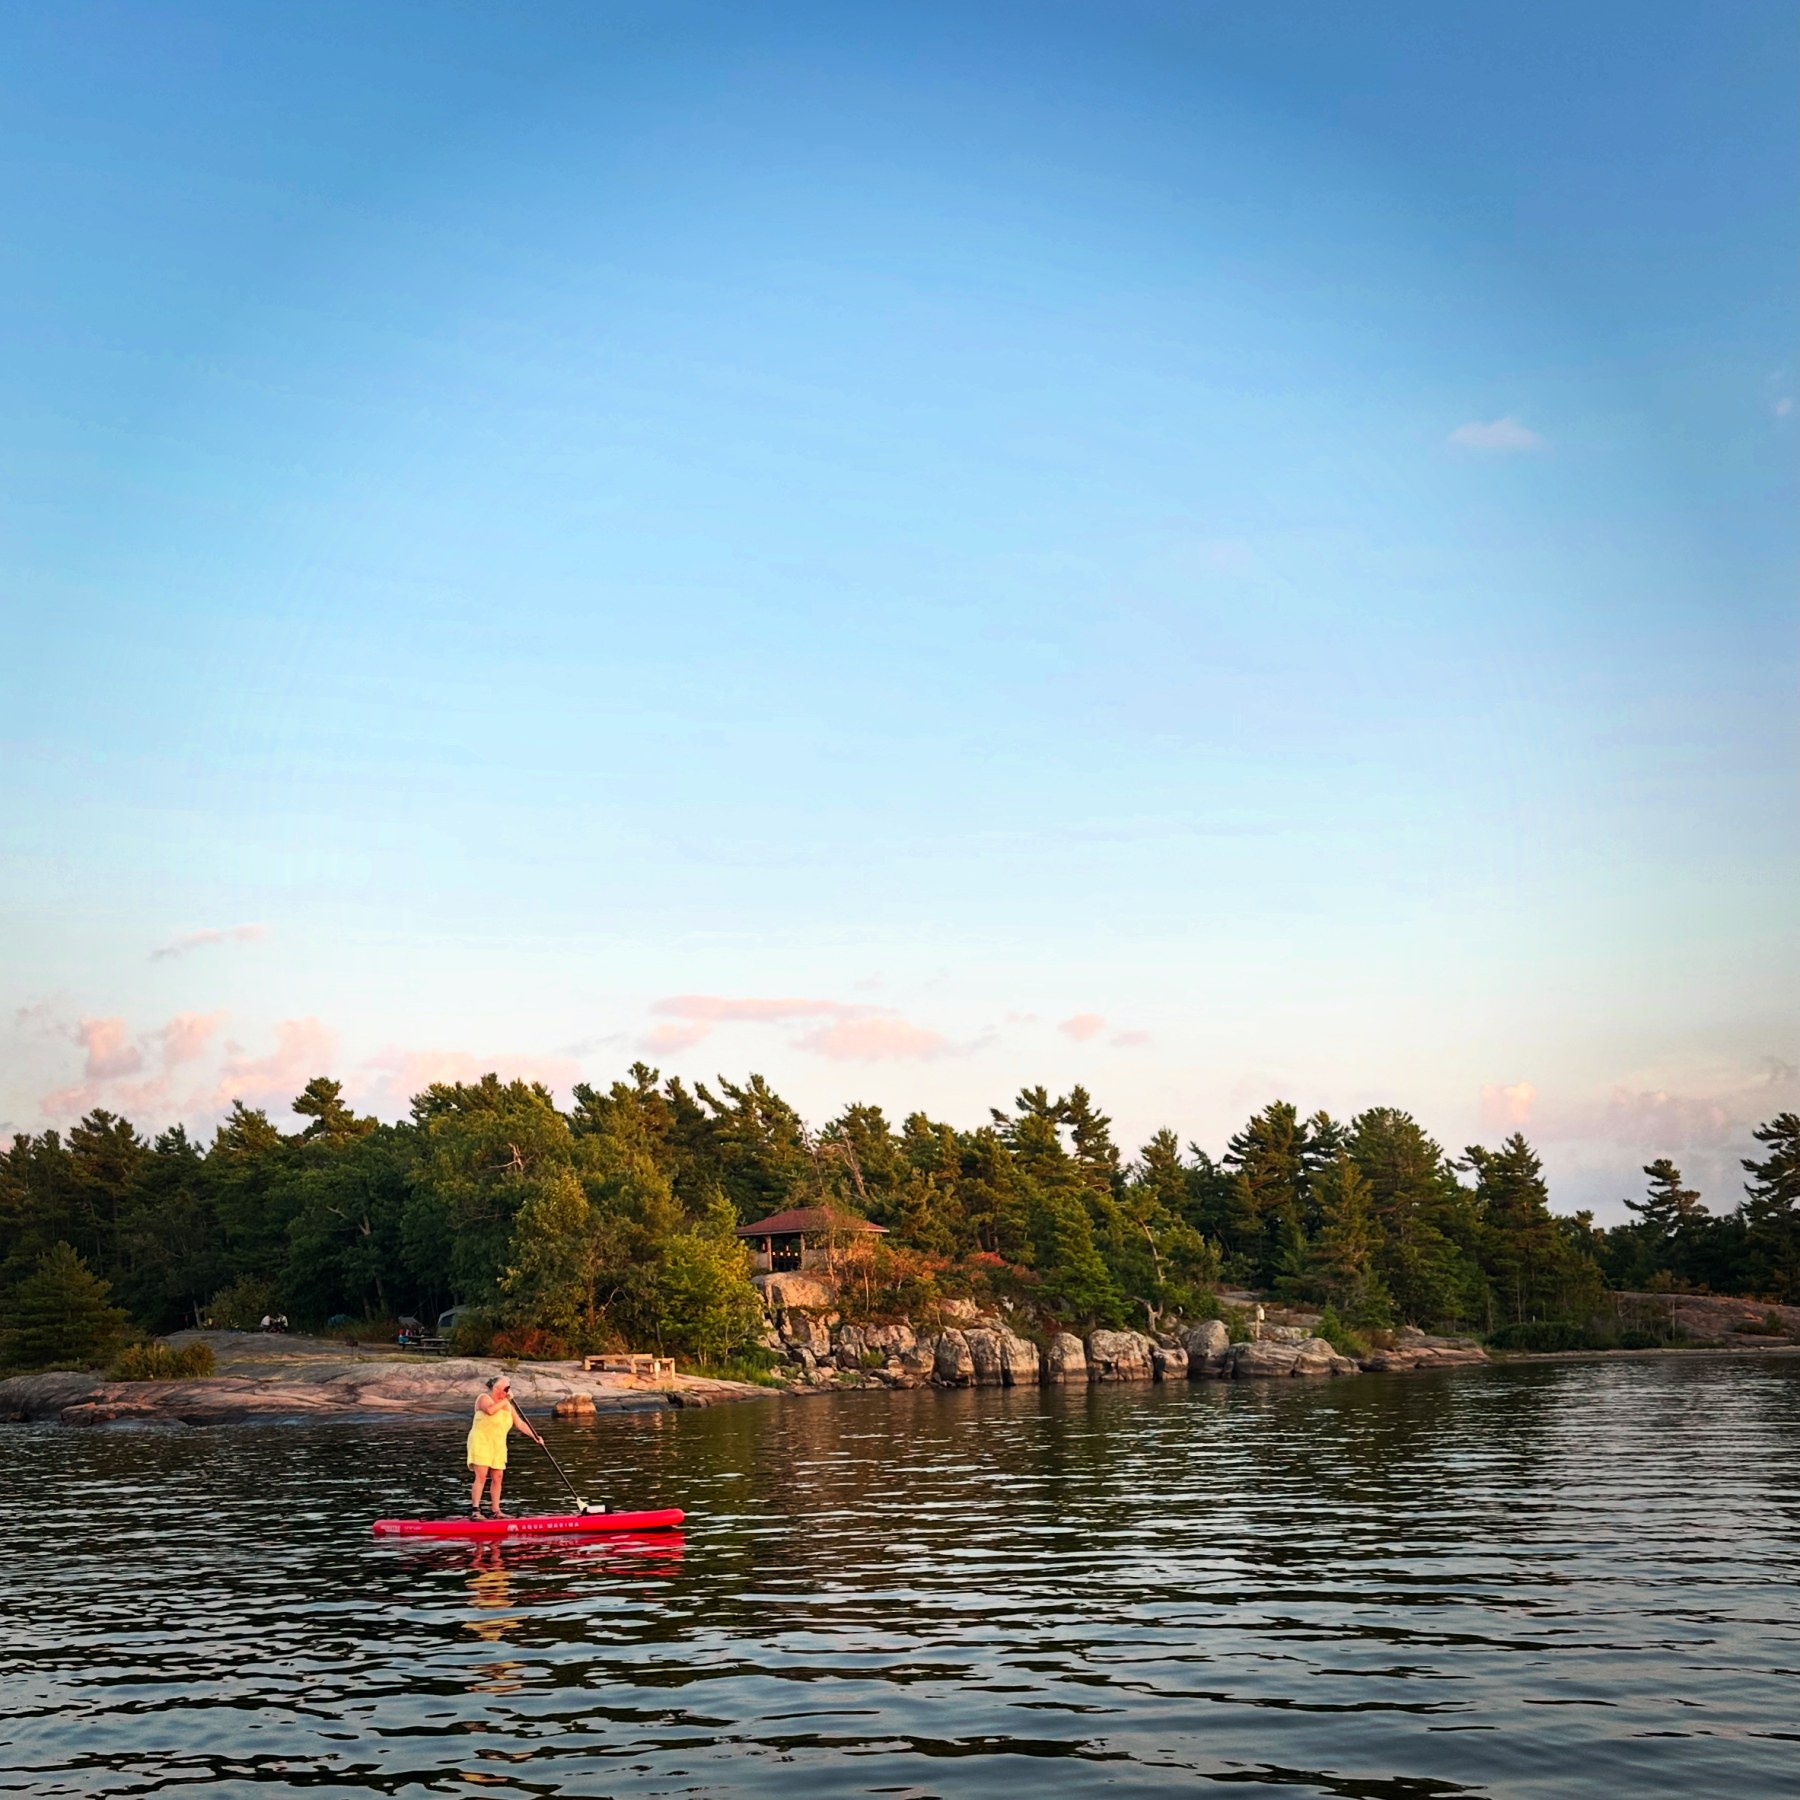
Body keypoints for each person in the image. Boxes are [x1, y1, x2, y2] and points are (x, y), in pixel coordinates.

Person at [466, 1374, 542, 1519]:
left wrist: (534, 1436)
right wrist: (506, 1399)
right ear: (497, 1388)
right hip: (481, 1441)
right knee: (481, 1476)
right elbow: (490, 1410)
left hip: (498, 1445)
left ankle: (496, 1511)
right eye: (507, 1388)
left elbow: (520, 1423)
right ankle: (475, 1511)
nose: (508, 1391)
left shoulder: (508, 1406)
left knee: (498, 1476)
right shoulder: (483, 1398)